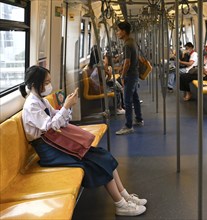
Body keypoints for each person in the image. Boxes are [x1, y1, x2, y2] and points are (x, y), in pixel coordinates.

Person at [19, 65, 147, 216]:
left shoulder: (41, 101)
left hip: (55, 143)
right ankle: (120, 204)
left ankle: (124, 196)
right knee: (97, 163)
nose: (49, 85)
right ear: (35, 84)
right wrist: (65, 107)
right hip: (48, 150)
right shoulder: (31, 106)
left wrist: (68, 107)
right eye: (46, 82)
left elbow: (60, 120)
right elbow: (51, 127)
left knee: (103, 155)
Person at [116, 21, 144, 135]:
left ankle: (128, 125)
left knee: (127, 100)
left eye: (118, 30)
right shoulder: (132, 42)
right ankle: (139, 118)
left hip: (130, 75)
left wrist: (122, 75)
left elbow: (127, 62)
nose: (117, 33)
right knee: (135, 97)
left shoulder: (127, 44)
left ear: (123, 31)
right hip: (134, 73)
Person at [86, 45, 125, 114]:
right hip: (98, 89)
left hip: (96, 87)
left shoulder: (90, 66)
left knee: (115, 83)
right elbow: (104, 81)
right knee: (116, 89)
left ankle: (121, 105)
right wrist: (109, 74)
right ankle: (118, 108)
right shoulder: (98, 67)